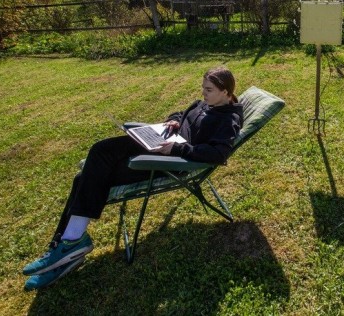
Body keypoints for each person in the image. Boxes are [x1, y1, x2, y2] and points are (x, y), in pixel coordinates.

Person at [22, 67, 243, 290]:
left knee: (96, 160)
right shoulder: (209, 104)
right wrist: (173, 121)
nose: (203, 93)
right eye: (203, 88)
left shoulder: (228, 119)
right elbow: (183, 114)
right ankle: (67, 242)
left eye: (209, 90)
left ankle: (68, 244)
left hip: (169, 163)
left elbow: (218, 153)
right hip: (163, 144)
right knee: (90, 169)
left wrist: (176, 150)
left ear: (225, 92)